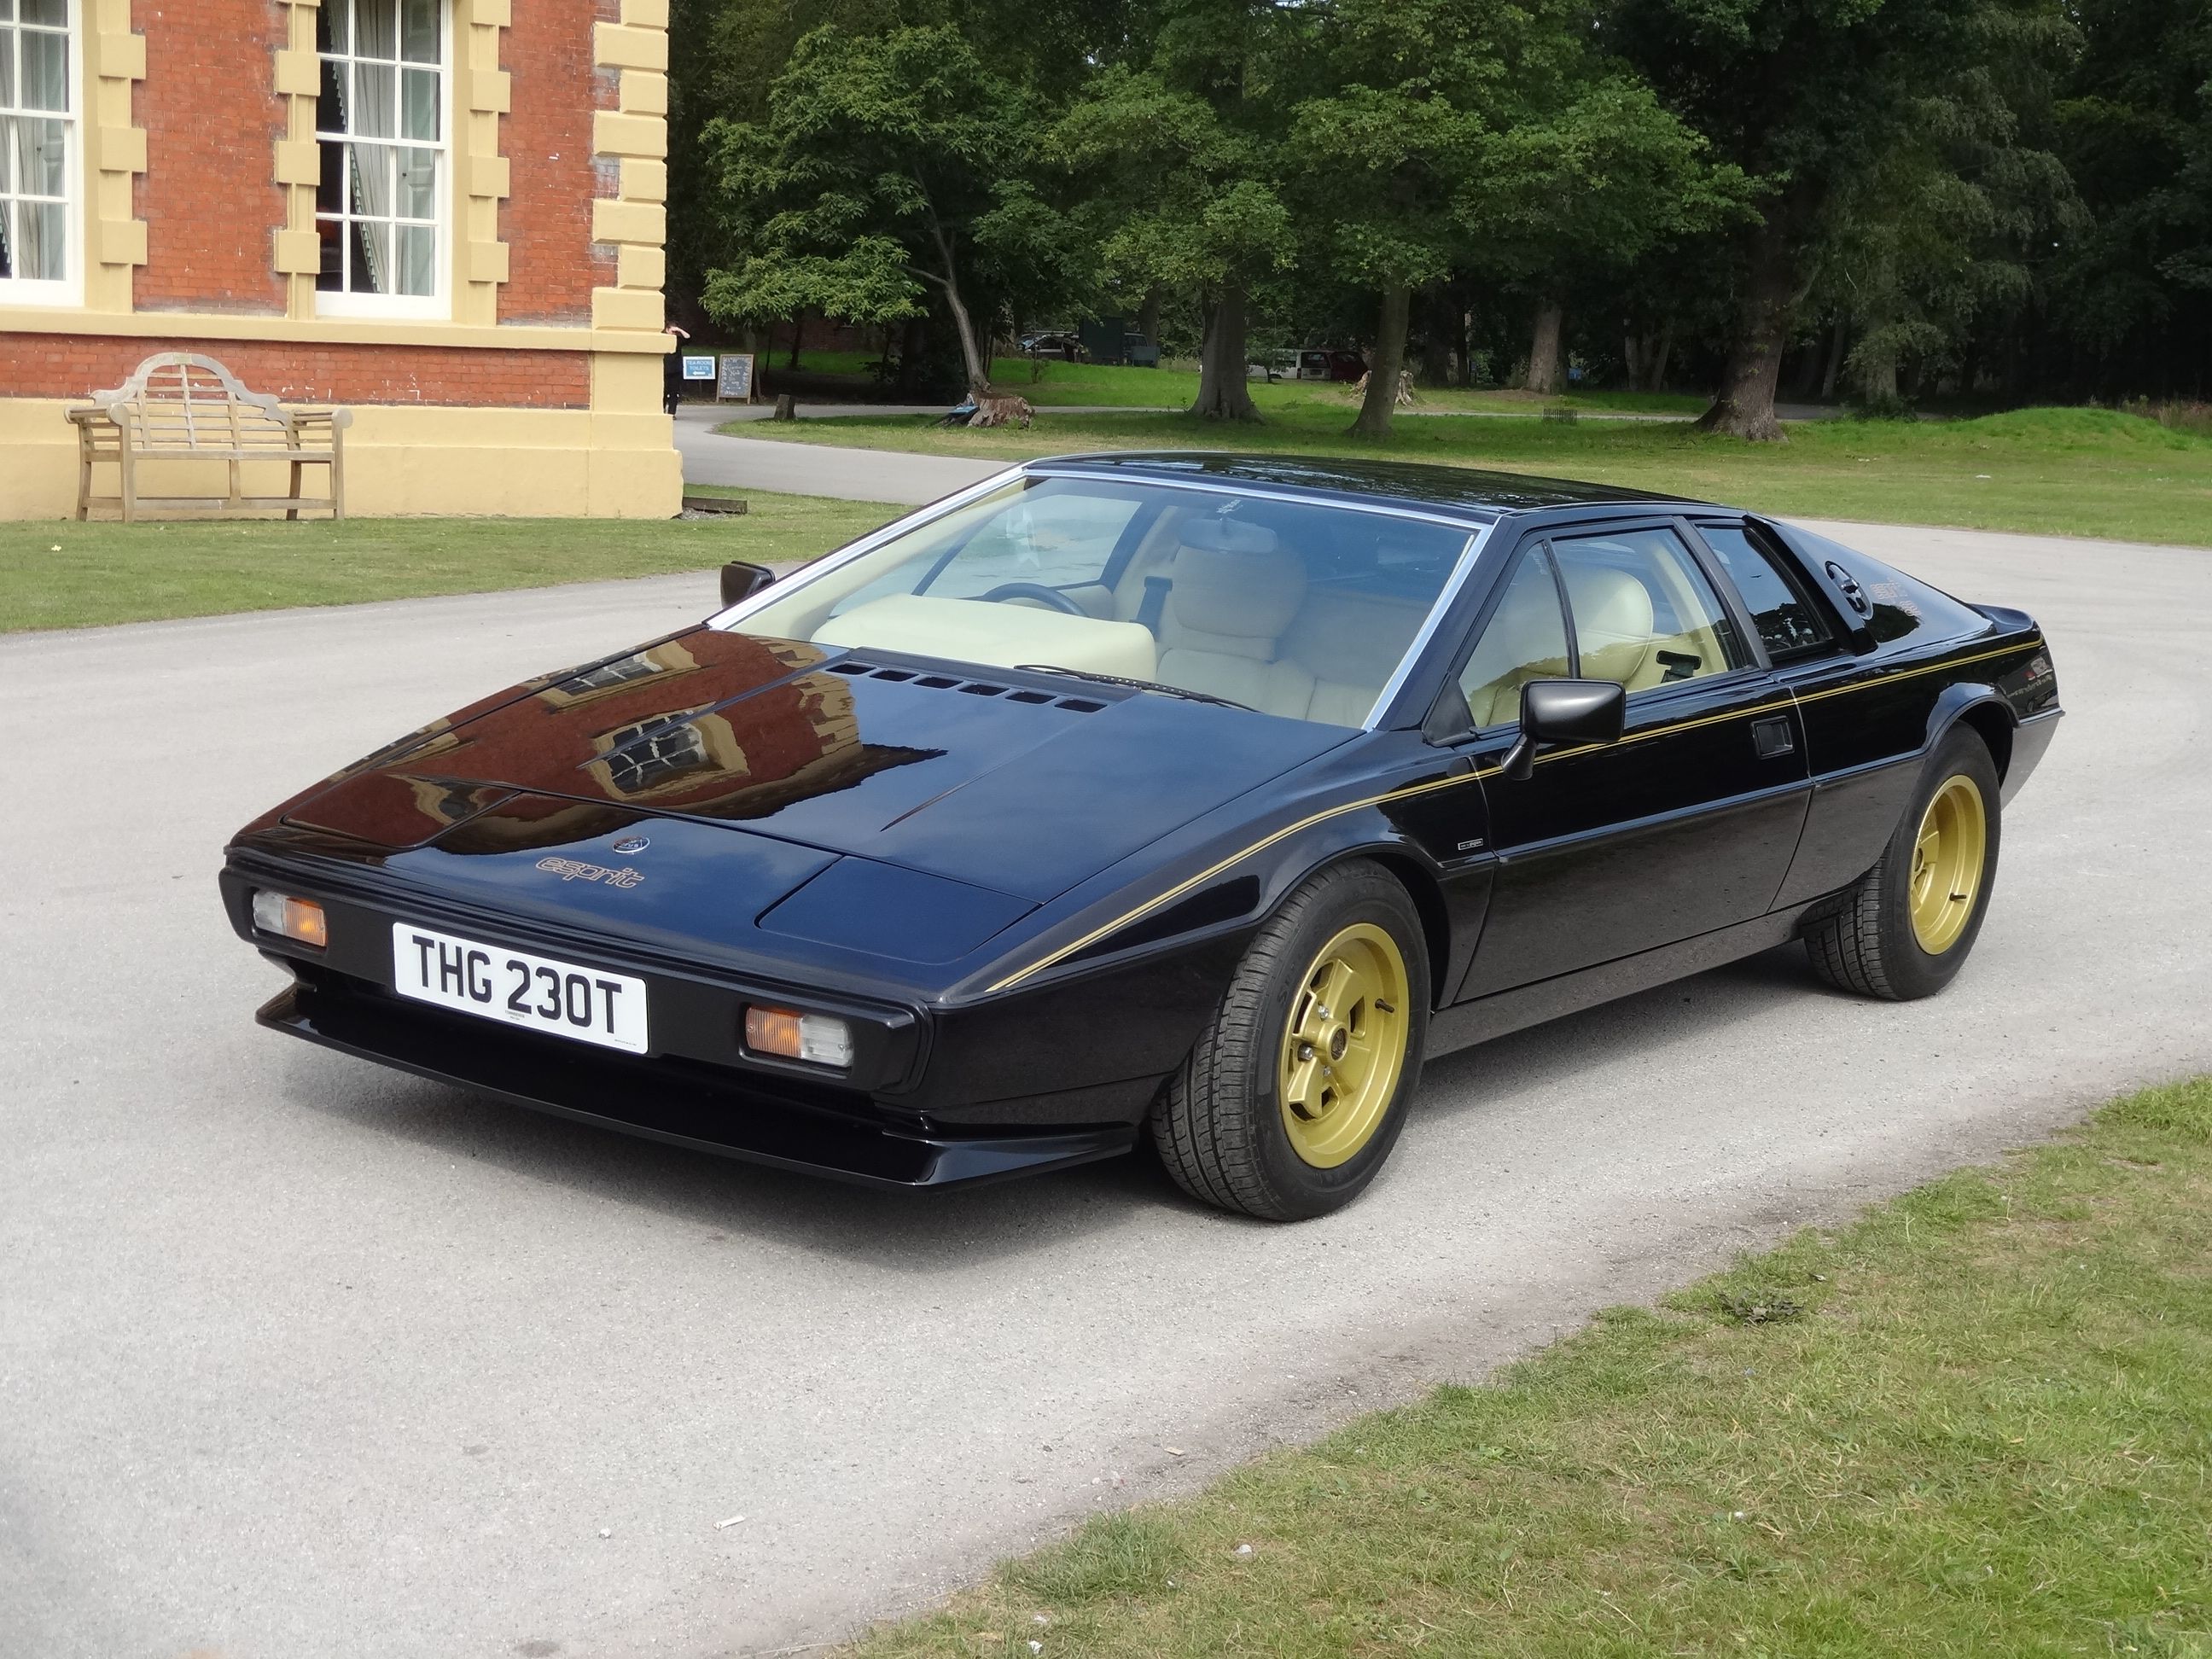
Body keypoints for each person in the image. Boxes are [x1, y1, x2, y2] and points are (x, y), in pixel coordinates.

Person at [663, 324, 692, 415]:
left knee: (674, 393)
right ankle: (661, 410)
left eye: (675, 332)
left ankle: (672, 413)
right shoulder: (662, 340)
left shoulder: (678, 340)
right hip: (664, 370)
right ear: (667, 330)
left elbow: (688, 337)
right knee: (663, 392)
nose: (674, 333)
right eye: (672, 331)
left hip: (676, 371)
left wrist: (679, 330)